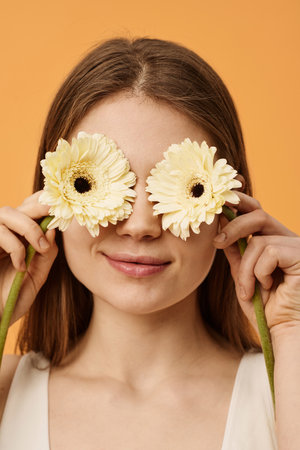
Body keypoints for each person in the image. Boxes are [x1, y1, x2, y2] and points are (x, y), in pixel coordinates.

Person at [0, 37, 299, 450]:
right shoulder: (5, 393)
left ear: (226, 204)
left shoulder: (284, 395)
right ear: (54, 196)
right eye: (100, 184)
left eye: (179, 188)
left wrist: (293, 330)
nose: (140, 225)